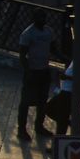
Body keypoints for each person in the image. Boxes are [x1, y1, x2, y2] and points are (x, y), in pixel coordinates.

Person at [18, 11, 54, 142]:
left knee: (42, 101)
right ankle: (21, 130)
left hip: (44, 70)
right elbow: (22, 55)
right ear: (34, 18)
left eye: (44, 16)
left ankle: (39, 126)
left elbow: (53, 48)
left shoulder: (49, 31)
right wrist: (28, 71)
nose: (43, 19)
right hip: (32, 71)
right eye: (40, 17)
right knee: (25, 102)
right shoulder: (28, 34)